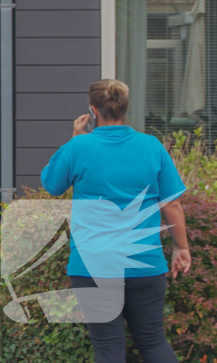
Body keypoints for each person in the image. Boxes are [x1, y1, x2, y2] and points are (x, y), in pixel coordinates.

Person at [41, 79, 189, 363]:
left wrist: (74, 140)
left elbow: (53, 184)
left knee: (108, 349)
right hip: (146, 265)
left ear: (93, 110)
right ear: (125, 108)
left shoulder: (80, 147)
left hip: (93, 265)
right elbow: (172, 204)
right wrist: (181, 247)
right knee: (153, 342)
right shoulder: (151, 146)